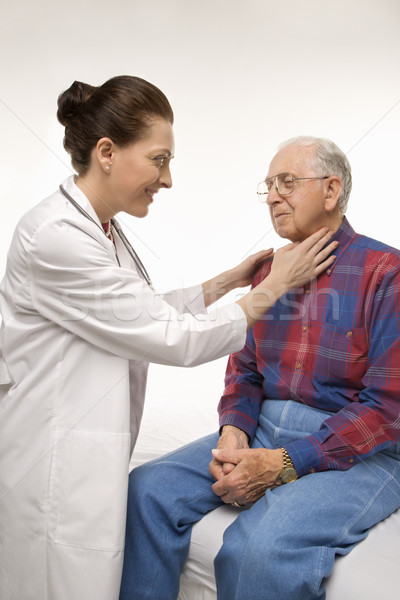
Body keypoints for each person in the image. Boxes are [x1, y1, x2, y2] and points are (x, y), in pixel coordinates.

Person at [0, 78, 336, 600]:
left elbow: (138, 310)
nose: (169, 179)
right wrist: (274, 286)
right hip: (55, 463)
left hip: (84, 452)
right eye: (159, 160)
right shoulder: (55, 236)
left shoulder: (101, 227)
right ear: (106, 153)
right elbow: (171, 339)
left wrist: (228, 280)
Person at [119, 136, 400, 600]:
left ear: (331, 191)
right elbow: (244, 372)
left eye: (287, 182)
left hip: (363, 450)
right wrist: (234, 431)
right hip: (266, 427)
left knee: (258, 549)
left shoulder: (386, 273)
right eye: (268, 185)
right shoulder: (268, 273)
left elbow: (388, 408)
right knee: (146, 491)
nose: (271, 196)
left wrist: (284, 463)